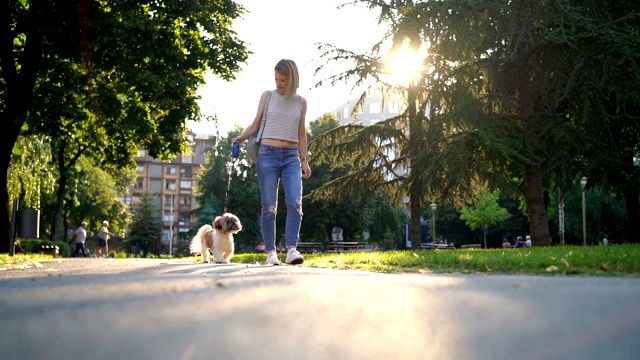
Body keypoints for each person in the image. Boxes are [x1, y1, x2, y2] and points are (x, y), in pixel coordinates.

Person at [232, 59, 311, 265]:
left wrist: (305, 161)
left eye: (282, 80)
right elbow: (256, 124)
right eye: (276, 79)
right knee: (269, 206)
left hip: (292, 156)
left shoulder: (301, 102)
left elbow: (301, 134)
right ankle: (271, 253)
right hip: (267, 154)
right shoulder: (268, 96)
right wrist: (241, 137)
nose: (278, 83)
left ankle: (292, 249)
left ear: (292, 79)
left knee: (295, 202)